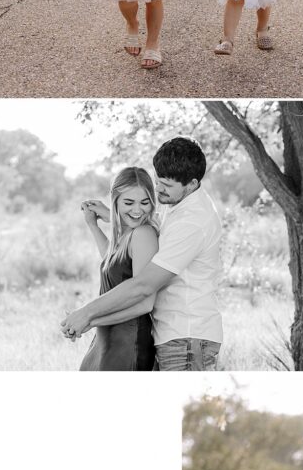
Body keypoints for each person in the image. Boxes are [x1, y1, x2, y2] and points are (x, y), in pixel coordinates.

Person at [61, 137, 223, 371]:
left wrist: (87, 314)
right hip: (172, 335)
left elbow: (143, 287)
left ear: (191, 183)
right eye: (158, 181)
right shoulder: (177, 207)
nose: (159, 190)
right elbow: (137, 239)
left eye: (166, 185)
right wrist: (112, 216)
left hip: (187, 337)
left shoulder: (192, 222)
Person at [77, 167, 159, 371]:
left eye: (145, 202)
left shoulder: (143, 233)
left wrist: (91, 318)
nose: (138, 210)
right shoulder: (128, 235)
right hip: (108, 336)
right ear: (115, 201)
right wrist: (94, 225)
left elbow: (144, 303)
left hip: (128, 339)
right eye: (129, 202)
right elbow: (112, 261)